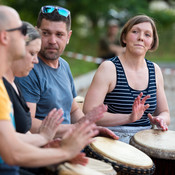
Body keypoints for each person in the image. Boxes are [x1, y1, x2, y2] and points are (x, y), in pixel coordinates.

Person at [0, 5, 104, 175]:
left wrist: (85, 126)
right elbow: (13, 152)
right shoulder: (19, 75)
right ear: (4, 37)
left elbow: (12, 137)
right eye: (20, 31)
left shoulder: (64, 66)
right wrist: (61, 151)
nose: (26, 36)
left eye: (59, 34)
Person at [16, 5, 118, 140]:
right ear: (36, 32)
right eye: (46, 33)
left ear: (68, 36)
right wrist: (75, 129)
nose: (52, 41)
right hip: (45, 147)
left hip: (70, 141)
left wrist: (90, 126)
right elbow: (28, 124)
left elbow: (73, 110)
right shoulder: (29, 69)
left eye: (59, 34)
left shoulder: (64, 65)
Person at [83, 15, 170, 144]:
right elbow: (89, 112)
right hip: (111, 140)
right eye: (135, 32)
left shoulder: (155, 70)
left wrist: (161, 119)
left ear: (152, 42)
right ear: (124, 37)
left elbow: (164, 112)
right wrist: (128, 118)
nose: (141, 37)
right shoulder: (109, 68)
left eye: (147, 34)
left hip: (146, 139)